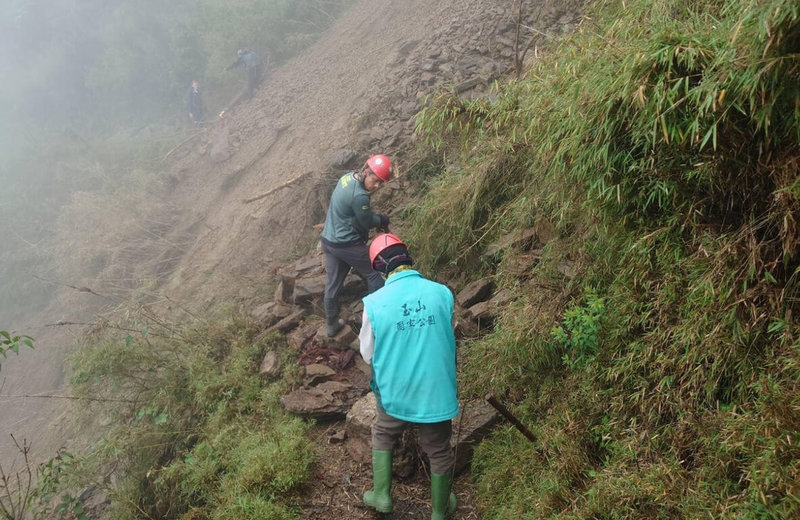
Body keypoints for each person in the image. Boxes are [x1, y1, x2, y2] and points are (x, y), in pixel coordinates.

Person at [359, 233, 458, 520]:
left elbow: (368, 354)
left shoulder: (374, 303)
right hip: (436, 390)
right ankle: (439, 511)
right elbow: (448, 336)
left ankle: (382, 496)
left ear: (380, 268)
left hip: (396, 393)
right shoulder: (442, 292)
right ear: (407, 256)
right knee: (439, 449)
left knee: (383, 432)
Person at [320, 155, 393, 337]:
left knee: (333, 283)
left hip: (329, 240)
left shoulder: (347, 177)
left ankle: (331, 324)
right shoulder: (360, 196)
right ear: (366, 171)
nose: (377, 186)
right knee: (375, 272)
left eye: (380, 183)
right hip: (346, 244)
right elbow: (366, 222)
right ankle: (379, 321)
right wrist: (382, 219)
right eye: (375, 181)